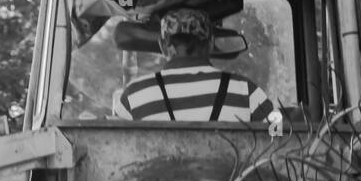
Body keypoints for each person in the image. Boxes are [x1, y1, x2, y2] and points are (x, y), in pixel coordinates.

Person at [116, 7, 276, 124]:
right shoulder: (245, 90)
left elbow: (113, 150)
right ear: (211, 43)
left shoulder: (133, 95)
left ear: (163, 46)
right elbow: (280, 135)